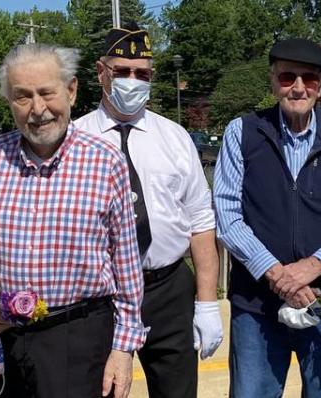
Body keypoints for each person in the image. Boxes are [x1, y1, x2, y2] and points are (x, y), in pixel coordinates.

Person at [0, 43, 146, 398]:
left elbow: (126, 265)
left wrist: (123, 348)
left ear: (71, 90)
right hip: (3, 338)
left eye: (47, 93)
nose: (38, 109)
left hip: (78, 338)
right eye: (22, 97)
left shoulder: (105, 162)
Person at [214, 37, 321, 398]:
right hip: (258, 302)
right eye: (287, 76)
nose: (297, 87)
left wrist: (314, 265)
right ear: (272, 80)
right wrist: (277, 275)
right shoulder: (242, 132)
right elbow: (228, 214)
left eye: (309, 79)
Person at [75, 23, 222, 398]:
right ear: (100, 72)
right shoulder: (75, 141)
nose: (132, 81)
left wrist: (206, 303)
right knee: (104, 390)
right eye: (121, 71)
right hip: (101, 296)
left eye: (142, 73)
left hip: (168, 288)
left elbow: (201, 223)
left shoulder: (174, 138)